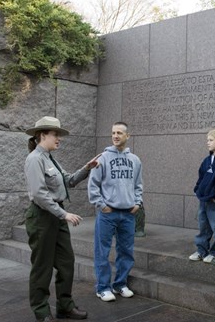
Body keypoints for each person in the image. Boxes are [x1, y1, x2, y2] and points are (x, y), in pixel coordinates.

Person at [24, 116, 100, 322]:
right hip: (42, 218)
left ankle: (65, 306)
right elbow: (39, 195)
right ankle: (41, 311)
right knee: (42, 266)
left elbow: (68, 181)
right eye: (56, 134)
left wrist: (87, 168)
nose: (59, 139)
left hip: (55, 216)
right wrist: (64, 214)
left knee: (66, 262)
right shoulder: (34, 159)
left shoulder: (50, 158)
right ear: (42, 135)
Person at [88, 122, 143, 302]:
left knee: (126, 251)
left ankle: (120, 284)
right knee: (102, 252)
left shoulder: (135, 160)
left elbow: (138, 185)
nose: (116, 136)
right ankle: (103, 288)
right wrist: (101, 205)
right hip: (107, 213)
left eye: (119, 133)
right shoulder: (102, 158)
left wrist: (137, 203)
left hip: (128, 213)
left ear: (128, 136)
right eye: (113, 133)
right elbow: (93, 184)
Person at [189, 128, 215, 264]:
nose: (208, 143)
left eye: (211, 140)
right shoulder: (206, 160)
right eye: (207, 140)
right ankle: (201, 250)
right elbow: (201, 177)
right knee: (203, 225)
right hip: (203, 199)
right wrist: (198, 189)